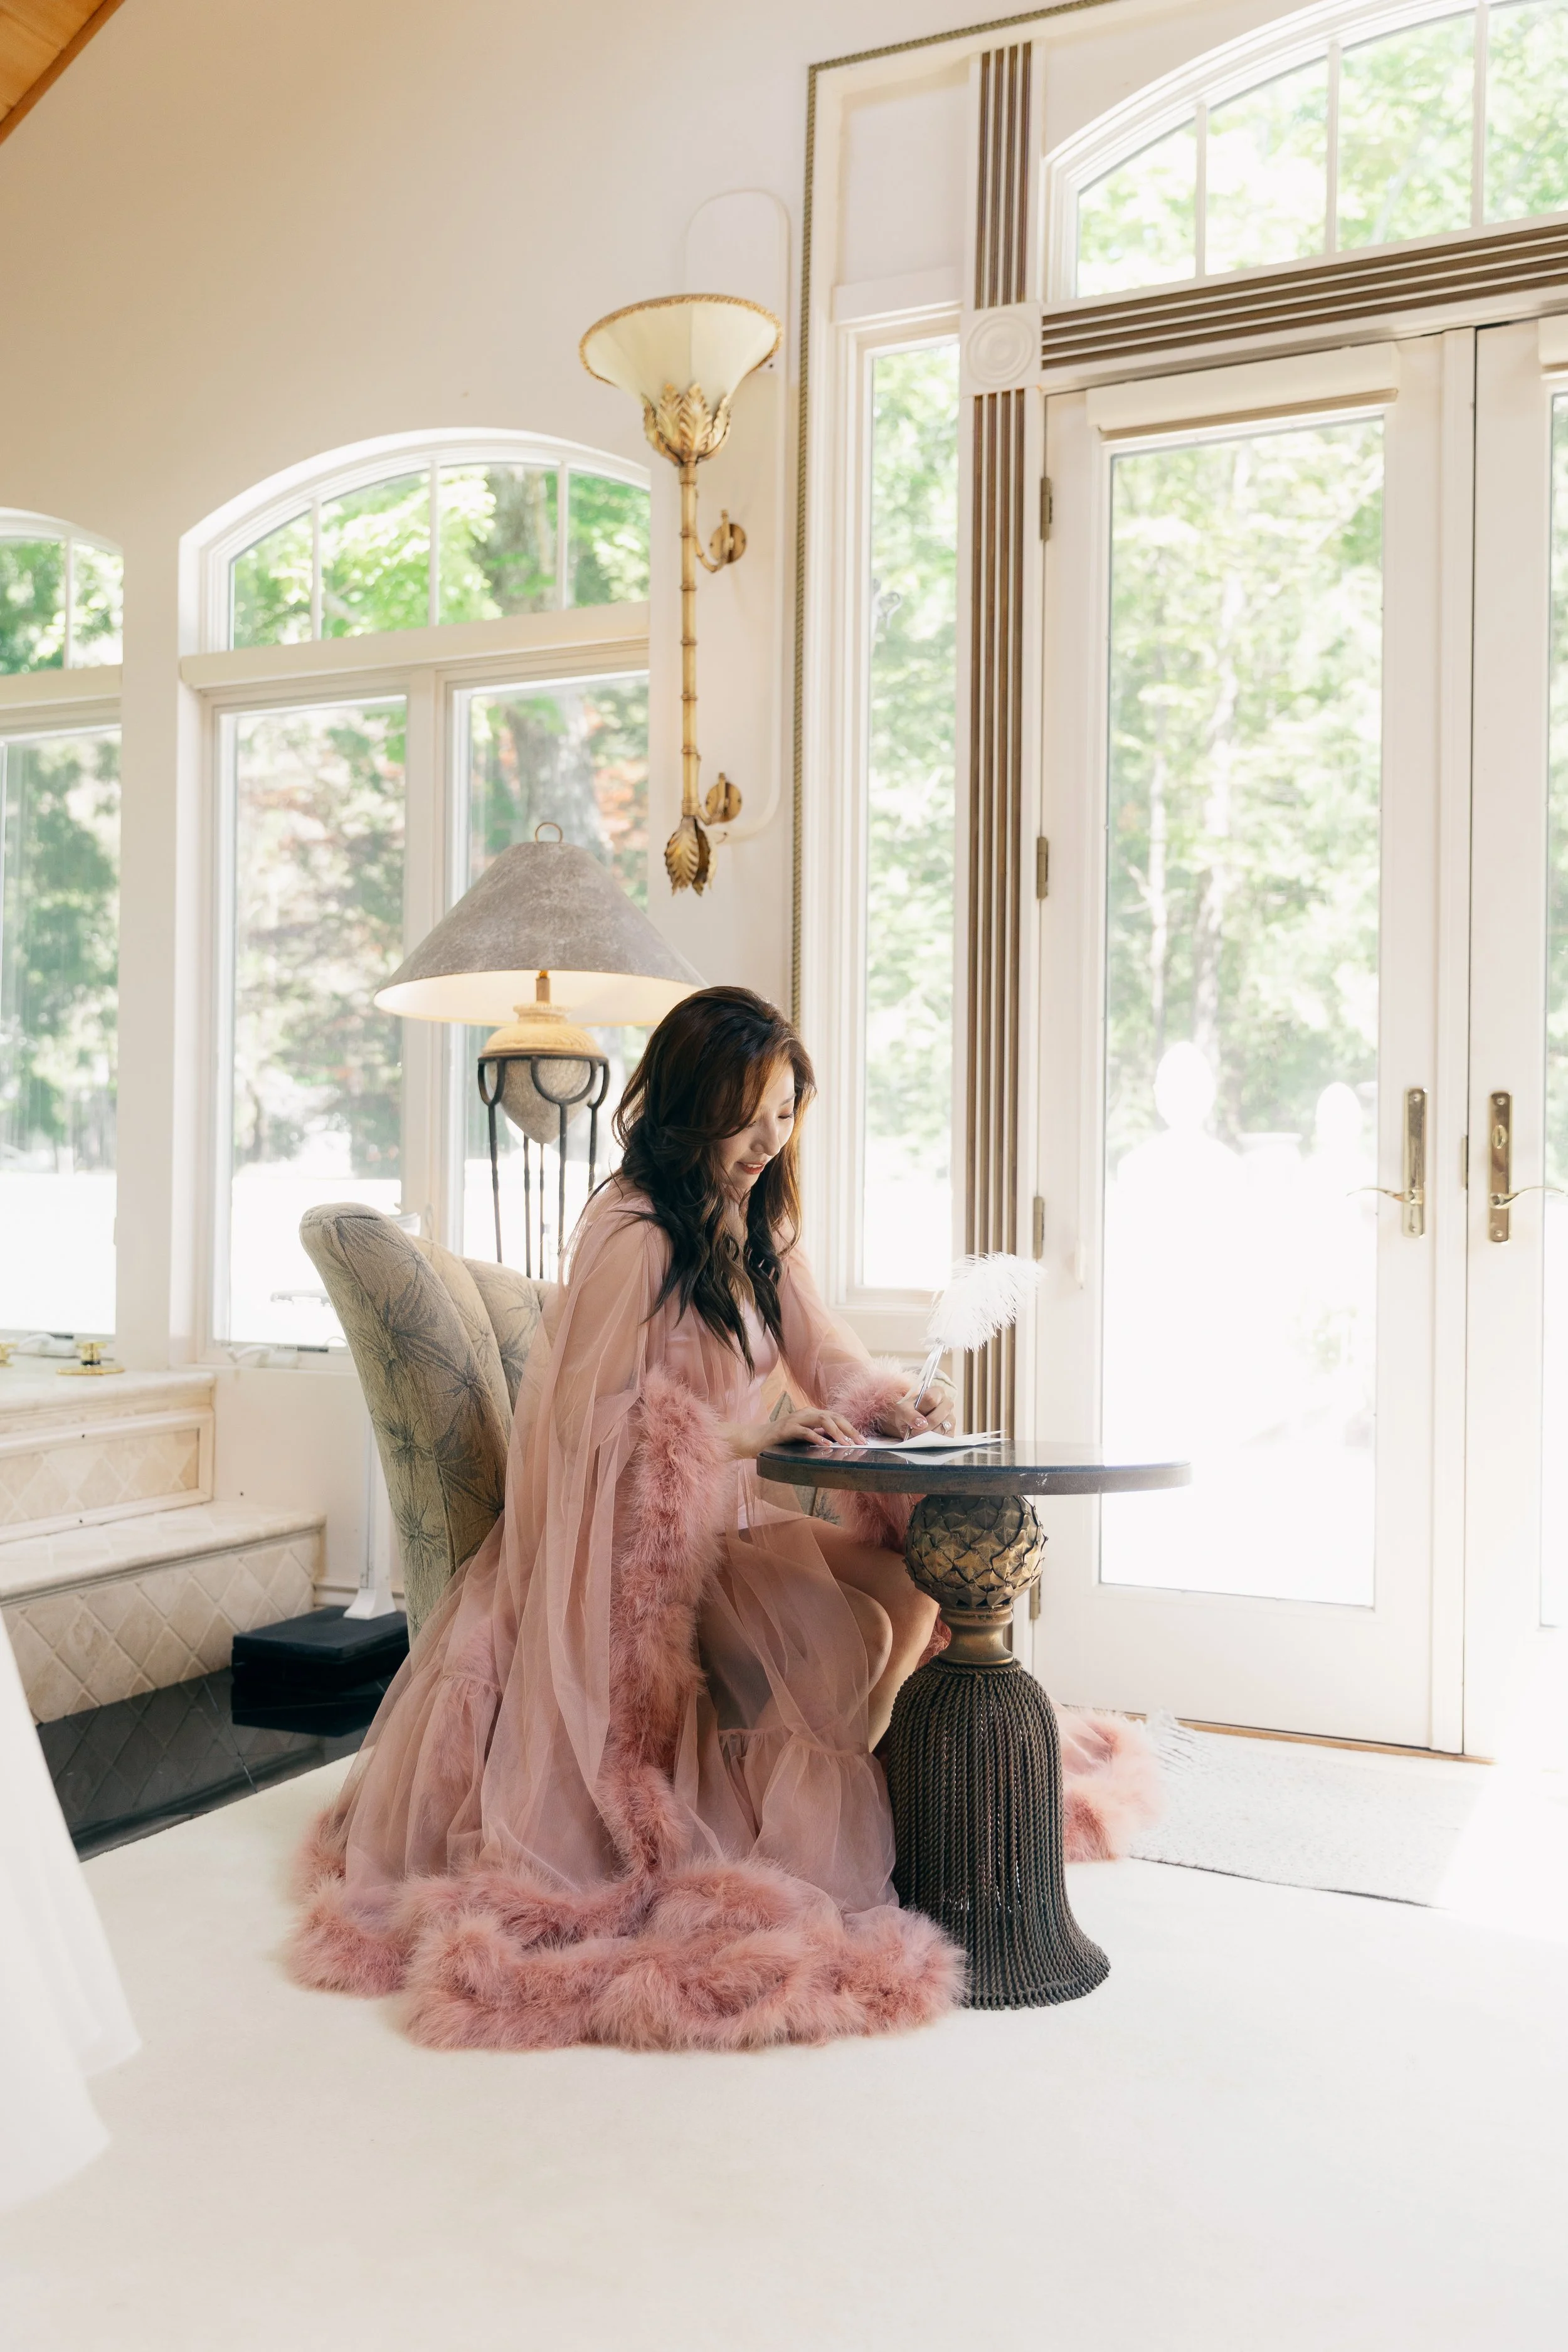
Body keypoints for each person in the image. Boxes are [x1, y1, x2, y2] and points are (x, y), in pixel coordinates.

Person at [289, 987, 1150, 2052]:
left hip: (722, 1522)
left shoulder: (753, 1221)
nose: (766, 1139)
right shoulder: (634, 1231)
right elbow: (587, 1431)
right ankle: (811, 1825)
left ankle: (876, 1794)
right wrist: (742, 1444)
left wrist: (884, 1401)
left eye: (785, 1113)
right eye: (748, 1114)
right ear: (692, 1102)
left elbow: (819, 1344)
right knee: (852, 1630)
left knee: (911, 1576)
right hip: (635, 1551)